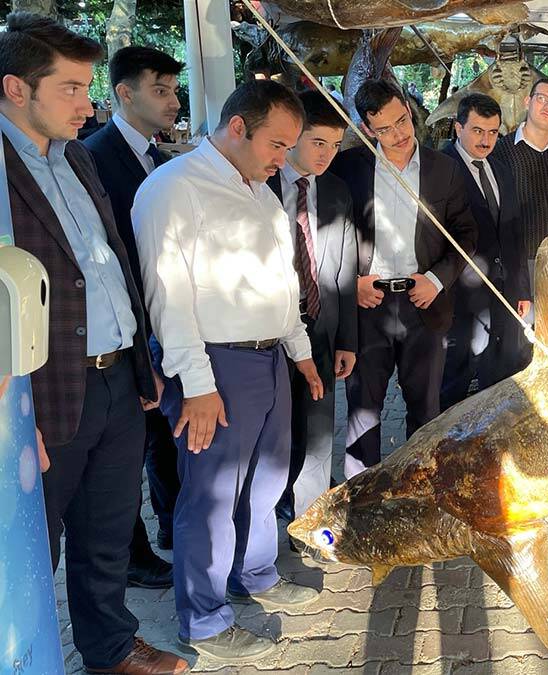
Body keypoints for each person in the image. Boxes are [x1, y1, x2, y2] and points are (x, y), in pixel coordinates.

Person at [0, 13, 188, 674]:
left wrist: (142, 366)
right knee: (27, 550)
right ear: (16, 89)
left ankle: (110, 649)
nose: (90, 103)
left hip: (113, 380)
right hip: (41, 391)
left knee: (107, 534)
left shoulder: (76, 154)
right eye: (73, 89)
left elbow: (107, 264)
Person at [133, 80, 324, 661]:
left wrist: (301, 351)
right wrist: (197, 385)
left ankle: (257, 572)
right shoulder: (173, 188)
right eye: (276, 143)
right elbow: (169, 296)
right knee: (213, 494)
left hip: (268, 359)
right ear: (237, 127)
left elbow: (282, 281)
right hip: (215, 363)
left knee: (266, 479)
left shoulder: (261, 191)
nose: (282, 158)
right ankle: (205, 619)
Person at [330, 78, 477, 476]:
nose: (397, 135)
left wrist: (437, 279)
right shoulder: (349, 168)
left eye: (402, 121)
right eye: (384, 128)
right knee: (363, 410)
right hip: (368, 304)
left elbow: (465, 234)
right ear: (366, 130)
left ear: (410, 112)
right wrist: (351, 284)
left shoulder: (443, 168)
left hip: (423, 304)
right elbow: (328, 235)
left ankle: (420, 490)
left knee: (425, 409)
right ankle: (361, 497)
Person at [83, 44, 183, 590]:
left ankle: (169, 529)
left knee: (164, 434)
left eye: (173, 90)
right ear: (125, 94)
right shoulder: (92, 156)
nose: (172, 101)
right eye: (160, 90)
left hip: (163, 320)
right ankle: (133, 553)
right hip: (124, 329)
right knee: (138, 441)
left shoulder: (161, 160)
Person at [266, 89, 358, 523]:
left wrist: (347, 340)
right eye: (318, 142)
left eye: (336, 145)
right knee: (277, 432)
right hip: (267, 334)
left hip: (320, 327)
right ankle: (269, 511)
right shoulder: (259, 182)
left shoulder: (338, 191)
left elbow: (344, 271)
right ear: (294, 135)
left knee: (320, 432)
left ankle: (311, 518)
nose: (327, 155)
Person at [440, 93, 531, 408]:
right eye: (478, 130)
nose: (486, 139)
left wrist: (522, 289)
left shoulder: (501, 168)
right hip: (460, 296)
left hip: (504, 293)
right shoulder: (438, 169)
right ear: (458, 127)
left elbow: (514, 231)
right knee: (454, 380)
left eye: (493, 132)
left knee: (502, 374)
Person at [491, 77, 548, 264]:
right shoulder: (501, 150)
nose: (547, 106)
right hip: (517, 259)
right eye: (541, 98)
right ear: (527, 102)